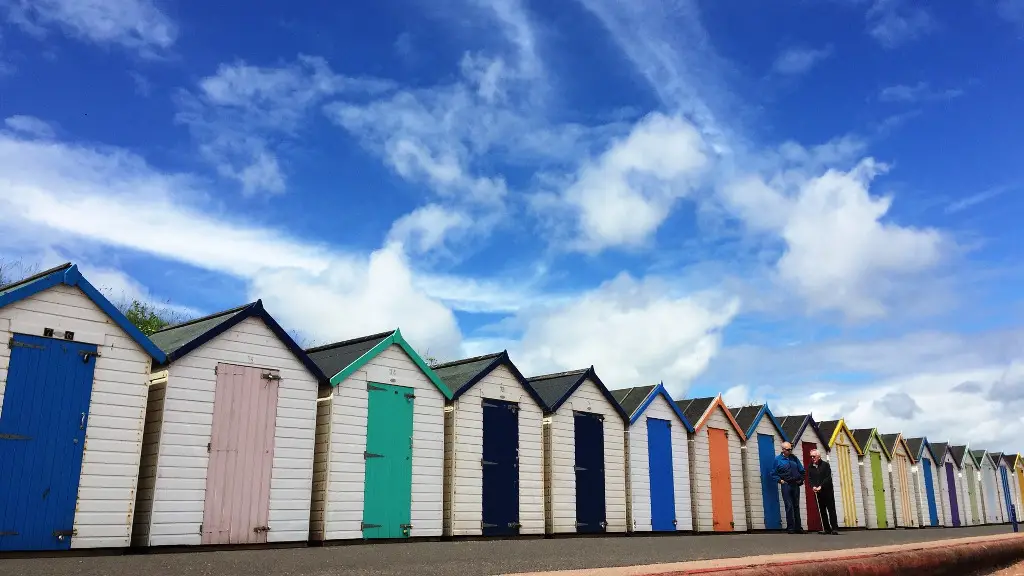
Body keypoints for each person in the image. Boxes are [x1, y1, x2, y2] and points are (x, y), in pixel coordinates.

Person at [770, 441, 806, 534]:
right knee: (789, 506)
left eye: (791, 449)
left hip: (795, 484)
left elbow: (802, 470)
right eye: (788, 450)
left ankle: (798, 527)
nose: (790, 451)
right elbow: (773, 473)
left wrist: (801, 480)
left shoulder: (794, 458)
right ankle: (790, 527)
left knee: (796, 505)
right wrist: (780, 481)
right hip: (786, 484)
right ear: (783, 450)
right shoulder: (777, 459)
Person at [808, 449, 840, 535]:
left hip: (827, 491)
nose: (812, 458)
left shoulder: (825, 465)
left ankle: (834, 528)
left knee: (831, 510)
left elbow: (828, 478)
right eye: (811, 456)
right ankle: (826, 528)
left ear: (819, 456)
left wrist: (821, 486)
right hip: (818, 492)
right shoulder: (810, 466)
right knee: (822, 510)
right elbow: (810, 478)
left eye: (814, 456)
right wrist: (813, 486)